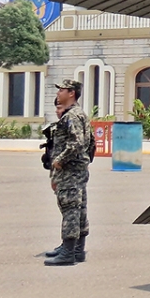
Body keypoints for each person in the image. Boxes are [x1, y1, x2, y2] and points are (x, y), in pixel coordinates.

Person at [45, 80, 91, 266]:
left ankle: (68, 252)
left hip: (70, 170)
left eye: (61, 90)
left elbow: (76, 144)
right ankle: (76, 250)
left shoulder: (72, 116)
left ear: (71, 93)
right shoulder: (77, 114)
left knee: (70, 208)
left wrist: (59, 160)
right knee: (78, 208)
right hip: (78, 169)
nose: (58, 93)